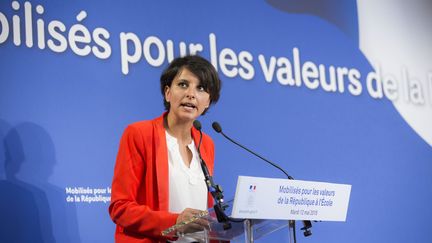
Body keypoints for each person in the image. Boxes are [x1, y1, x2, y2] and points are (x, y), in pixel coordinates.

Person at [109, 55, 222, 243]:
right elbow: (120, 207)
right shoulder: (139, 134)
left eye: (201, 88)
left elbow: (204, 209)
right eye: (183, 84)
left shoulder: (206, 143)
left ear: (208, 101)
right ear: (168, 93)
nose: (191, 94)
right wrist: (174, 222)